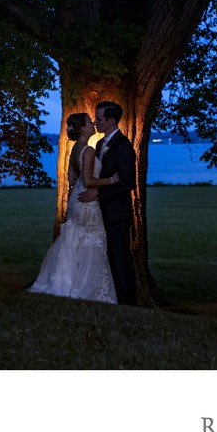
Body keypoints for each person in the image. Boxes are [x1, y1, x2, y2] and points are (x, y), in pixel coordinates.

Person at [28, 113, 118, 304]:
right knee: (94, 242)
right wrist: (111, 180)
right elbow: (87, 180)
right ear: (84, 128)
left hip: (76, 201)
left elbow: (71, 180)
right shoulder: (89, 150)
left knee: (75, 242)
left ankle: (70, 282)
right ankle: (87, 287)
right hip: (87, 203)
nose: (93, 124)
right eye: (89, 122)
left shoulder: (74, 149)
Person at [78, 101, 137, 305]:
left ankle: (128, 302)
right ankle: (114, 297)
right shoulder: (101, 144)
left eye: (99, 119)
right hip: (102, 212)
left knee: (120, 256)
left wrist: (100, 195)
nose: (96, 122)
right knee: (109, 256)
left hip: (117, 213)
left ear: (111, 121)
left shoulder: (123, 146)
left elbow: (128, 182)